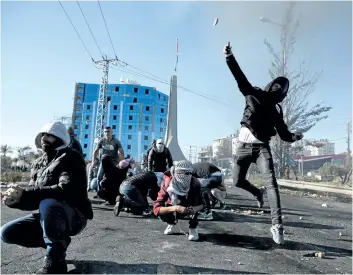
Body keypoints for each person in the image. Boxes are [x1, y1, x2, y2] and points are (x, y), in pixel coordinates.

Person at [224, 42, 304, 245]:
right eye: (277, 86)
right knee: (237, 181)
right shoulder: (253, 94)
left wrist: (296, 137)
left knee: (272, 184)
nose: (278, 89)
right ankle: (256, 192)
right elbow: (239, 77)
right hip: (242, 148)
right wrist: (229, 57)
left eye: (281, 88)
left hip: (261, 149)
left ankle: (277, 225)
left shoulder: (276, 112)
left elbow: (285, 135)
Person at [0, 121, 93, 274]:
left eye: (50, 135)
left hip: (75, 215)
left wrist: (28, 193)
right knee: (6, 232)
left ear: (60, 138)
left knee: (48, 203)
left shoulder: (71, 157)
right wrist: (17, 200)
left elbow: (66, 189)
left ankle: (55, 261)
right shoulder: (38, 163)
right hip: (50, 215)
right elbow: (32, 197)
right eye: (43, 135)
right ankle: (58, 243)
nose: (45, 138)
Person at [153, 160, 205, 241]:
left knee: (196, 203)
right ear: (175, 172)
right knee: (163, 212)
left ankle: (193, 227)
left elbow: (203, 204)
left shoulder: (195, 183)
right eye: (181, 173)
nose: (185, 176)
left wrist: (195, 209)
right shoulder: (167, 184)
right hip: (173, 206)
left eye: (188, 173)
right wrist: (175, 208)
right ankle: (171, 222)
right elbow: (156, 209)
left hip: (189, 206)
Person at [91, 126, 124, 192]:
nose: (107, 133)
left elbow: (121, 152)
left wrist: (121, 163)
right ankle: (99, 191)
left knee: (114, 177)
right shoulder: (101, 141)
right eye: (105, 132)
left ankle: (115, 192)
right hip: (104, 161)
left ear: (111, 132)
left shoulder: (116, 141)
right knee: (99, 177)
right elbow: (95, 151)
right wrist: (93, 162)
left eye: (108, 131)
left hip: (113, 161)